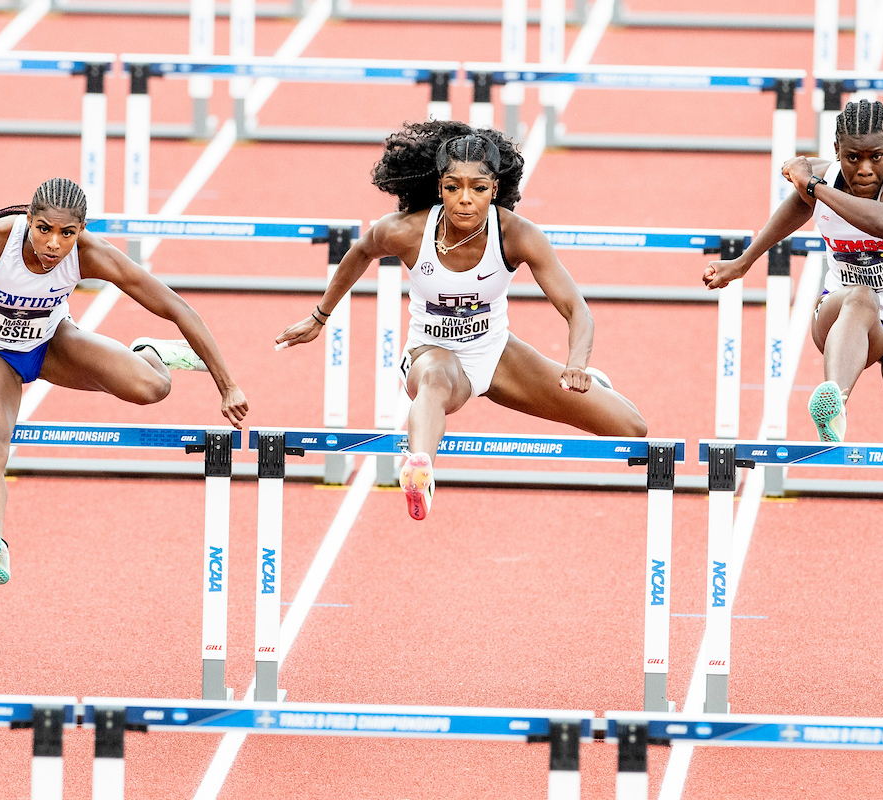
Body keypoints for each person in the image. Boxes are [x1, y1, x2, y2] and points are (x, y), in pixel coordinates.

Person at [275, 121, 647, 521]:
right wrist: (320, 316)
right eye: (453, 187)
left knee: (632, 432)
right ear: (439, 188)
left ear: (495, 190)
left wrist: (577, 365)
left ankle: (600, 385)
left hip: (496, 352)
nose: (465, 200)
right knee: (435, 380)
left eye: (478, 189)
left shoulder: (518, 236)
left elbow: (577, 310)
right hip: (431, 352)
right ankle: (419, 469)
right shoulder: (406, 232)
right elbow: (359, 254)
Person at [0, 177, 248, 584]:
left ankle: (151, 351)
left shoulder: (90, 254)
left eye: (66, 234)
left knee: (154, 388)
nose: (53, 245)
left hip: (51, 345)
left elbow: (177, 307)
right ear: (29, 221)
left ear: (80, 231)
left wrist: (227, 385)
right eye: (44, 229)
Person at [703, 99, 883, 528]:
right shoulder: (822, 176)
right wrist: (744, 262)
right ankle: (834, 401)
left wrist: (816, 186)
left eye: (876, 157)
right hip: (845, 316)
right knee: (862, 296)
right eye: (852, 158)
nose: (864, 170)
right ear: (837, 150)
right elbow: (797, 209)